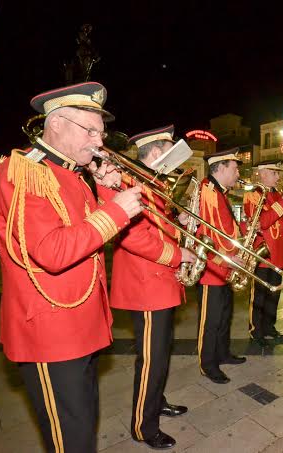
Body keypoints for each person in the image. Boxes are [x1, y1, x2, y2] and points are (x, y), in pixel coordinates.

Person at [0, 82, 144, 452]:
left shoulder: (72, 174)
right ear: (55, 124)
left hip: (81, 324)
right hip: (51, 330)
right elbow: (52, 252)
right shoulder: (24, 171)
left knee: (83, 425)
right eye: (89, 130)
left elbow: (88, 235)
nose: (99, 141)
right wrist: (117, 209)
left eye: (101, 133)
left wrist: (106, 191)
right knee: (68, 438)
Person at [110, 125, 197, 449]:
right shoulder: (132, 182)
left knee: (161, 354)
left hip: (161, 282)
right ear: (157, 152)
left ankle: (156, 401)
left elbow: (159, 228)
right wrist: (179, 254)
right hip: (146, 284)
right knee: (151, 358)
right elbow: (133, 236)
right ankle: (143, 426)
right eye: (171, 150)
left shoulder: (154, 183)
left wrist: (181, 226)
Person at [197, 149, 247, 384]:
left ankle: (223, 353)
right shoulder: (208, 191)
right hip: (213, 268)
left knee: (225, 315)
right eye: (235, 168)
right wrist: (226, 259)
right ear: (222, 168)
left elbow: (227, 231)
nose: (238, 173)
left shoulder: (220, 193)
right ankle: (208, 364)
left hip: (227, 266)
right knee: (211, 320)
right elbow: (207, 234)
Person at [244, 159, 283, 346]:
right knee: (259, 296)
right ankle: (256, 331)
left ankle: (269, 327)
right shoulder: (253, 196)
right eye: (274, 173)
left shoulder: (279, 195)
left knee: (274, 295)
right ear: (263, 174)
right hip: (262, 254)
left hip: (279, 254)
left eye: (278, 173)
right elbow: (262, 222)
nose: (278, 177)